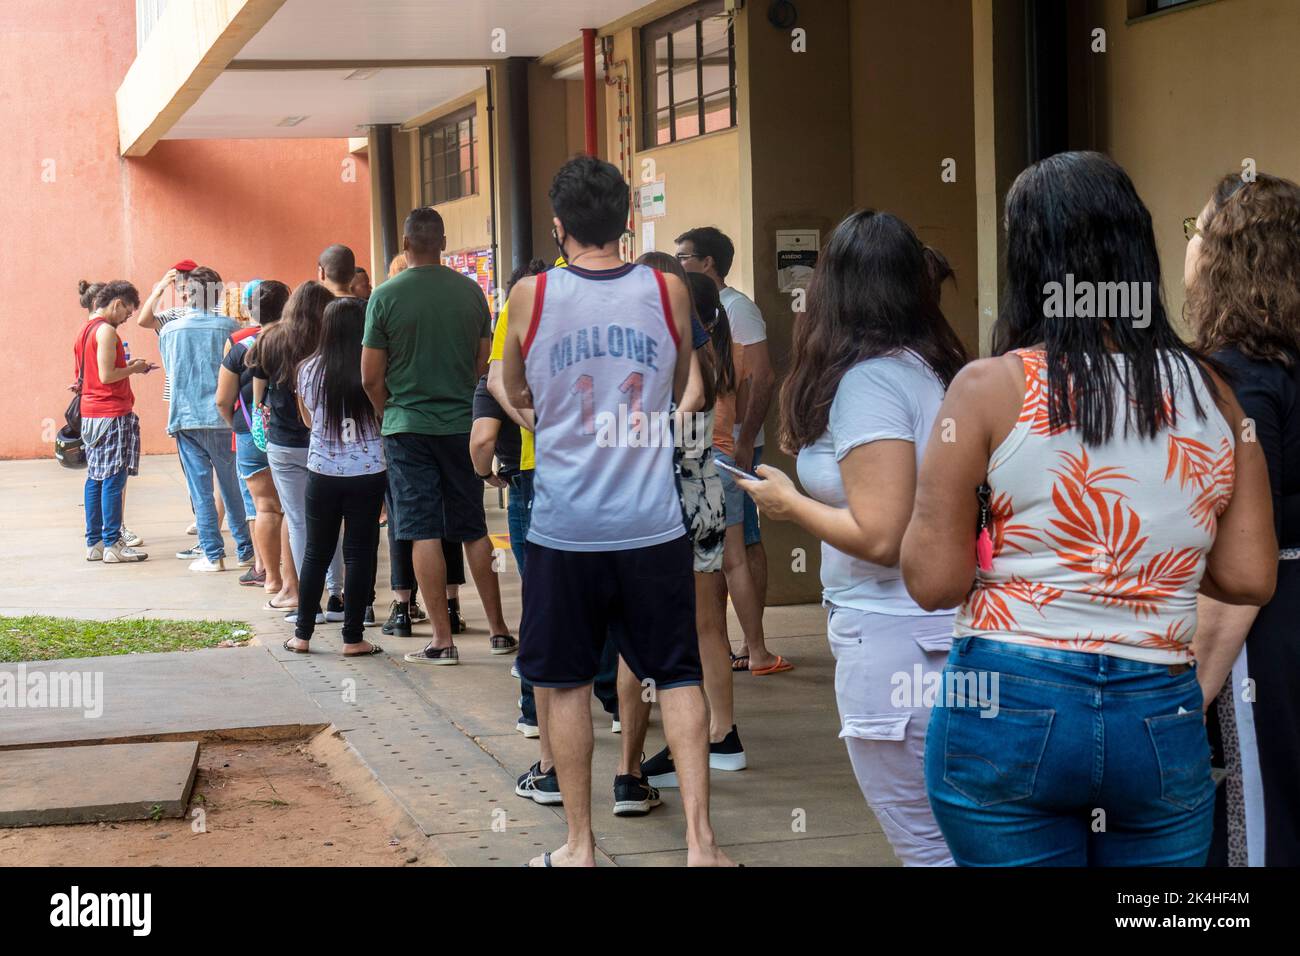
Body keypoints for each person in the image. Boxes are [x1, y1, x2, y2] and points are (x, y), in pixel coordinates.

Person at [900, 151, 1277, 867]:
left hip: (1006, 703)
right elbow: (1252, 576)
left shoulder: (988, 388)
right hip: (1157, 712)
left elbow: (934, 581)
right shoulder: (1216, 394)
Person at [501, 155, 732, 866]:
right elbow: (698, 377)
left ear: (559, 224)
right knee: (681, 674)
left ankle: (581, 846)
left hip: (565, 527)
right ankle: (701, 845)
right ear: (627, 221)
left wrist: (544, 419)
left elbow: (511, 389)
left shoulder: (530, 295)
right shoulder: (668, 289)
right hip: (652, 524)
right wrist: (674, 412)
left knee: (564, 681)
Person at [738, 211, 966, 865]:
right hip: (936, 633)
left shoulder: (870, 383)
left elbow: (881, 534)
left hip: (894, 639)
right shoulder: (932, 369)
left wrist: (789, 503)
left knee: (927, 847)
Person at [1185, 171, 1300, 867]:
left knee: (1258, 825)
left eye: (1195, 230)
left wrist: (1186, 695)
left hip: (1266, 627)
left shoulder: (1236, 376)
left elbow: (1245, 547)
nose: (1190, 245)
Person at [362, 207, 516, 664]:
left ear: (405, 245)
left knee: (421, 529)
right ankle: (499, 630)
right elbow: (483, 362)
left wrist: (388, 412)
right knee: (473, 527)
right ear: (443, 242)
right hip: (461, 425)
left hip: (407, 427)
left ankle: (443, 640)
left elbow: (371, 376)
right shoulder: (472, 294)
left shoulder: (385, 296)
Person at [632, 257, 749, 788]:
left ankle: (673, 748)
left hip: (662, 487)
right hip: (706, 481)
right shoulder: (702, 334)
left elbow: (685, 400)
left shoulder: (648, 334)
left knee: (649, 626)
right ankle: (723, 733)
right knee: (708, 624)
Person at [676, 226, 786, 674]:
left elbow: (762, 378)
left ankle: (723, 647)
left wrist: (745, 443)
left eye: (684, 256)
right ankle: (749, 649)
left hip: (707, 455)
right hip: (721, 455)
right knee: (732, 556)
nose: (677, 262)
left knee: (708, 561)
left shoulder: (725, 320)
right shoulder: (720, 338)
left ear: (708, 263)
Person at [282, 297, 386, 657]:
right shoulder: (372, 367)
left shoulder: (307, 369)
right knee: (359, 553)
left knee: (316, 551)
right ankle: (353, 638)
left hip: (322, 472)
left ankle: (302, 635)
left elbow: (309, 420)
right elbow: (381, 412)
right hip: (368, 472)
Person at [250, 282, 346, 618]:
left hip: (284, 443)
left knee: (299, 521)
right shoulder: (332, 342)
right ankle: (338, 596)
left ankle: (309, 602)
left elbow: (258, 394)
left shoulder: (271, 339)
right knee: (332, 521)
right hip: (326, 441)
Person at [154, 266, 255, 572]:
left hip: (185, 417)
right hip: (222, 415)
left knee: (200, 489)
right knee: (231, 486)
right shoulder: (230, 327)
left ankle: (213, 554)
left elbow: (173, 372)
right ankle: (245, 549)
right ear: (217, 293)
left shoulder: (170, 330)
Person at [217, 280, 292, 601]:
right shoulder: (299, 342)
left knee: (264, 508)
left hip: (251, 434)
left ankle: (272, 579)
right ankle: (294, 580)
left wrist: (240, 426)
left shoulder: (240, 348)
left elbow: (223, 399)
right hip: (293, 434)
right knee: (292, 509)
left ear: (252, 312)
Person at [75, 281, 154, 563]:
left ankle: (94, 542)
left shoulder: (84, 331)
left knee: (95, 477)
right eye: (128, 313)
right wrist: (135, 367)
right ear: (117, 303)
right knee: (113, 478)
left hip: (91, 412)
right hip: (111, 412)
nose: (126, 319)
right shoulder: (107, 332)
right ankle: (113, 543)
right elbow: (108, 375)